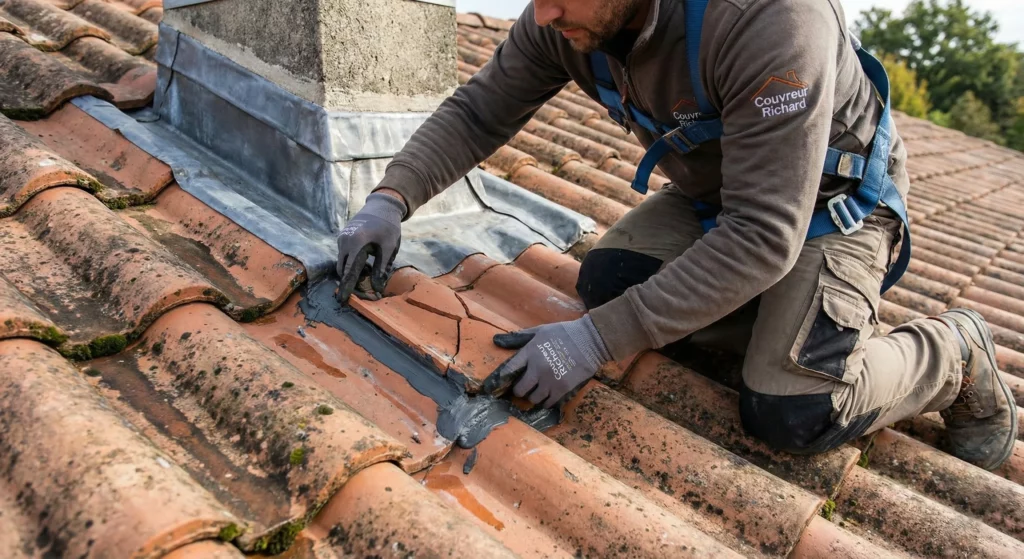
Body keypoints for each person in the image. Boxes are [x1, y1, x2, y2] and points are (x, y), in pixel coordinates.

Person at [335, 0, 1017, 469]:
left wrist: (597, 341)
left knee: (792, 409)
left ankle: (951, 351)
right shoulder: (563, 16)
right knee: (609, 283)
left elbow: (764, 232)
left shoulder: (770, 20)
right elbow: (480, 111)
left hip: (831, 204)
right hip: (721, 195)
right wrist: (390, 199)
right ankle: (784, 316)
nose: (542, 15)